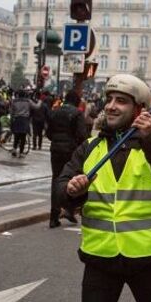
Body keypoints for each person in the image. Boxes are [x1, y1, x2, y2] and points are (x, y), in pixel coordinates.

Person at [57, 74, 151, 302]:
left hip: (147, 258)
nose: (111, 106)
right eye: (109, 99)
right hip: (100, 257)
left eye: (121, 101)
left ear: (139, 109)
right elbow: (61, 188)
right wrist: (71, 190)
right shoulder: (91, 147)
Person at [46, 90, 88, 228]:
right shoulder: (77, 113)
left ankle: (54, 216)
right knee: (71, 180)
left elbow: (49, 133)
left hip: (56, 150)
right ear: (76, 101)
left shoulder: (55, 112)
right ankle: (69, 210)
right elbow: (82, 135)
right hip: (71, 150)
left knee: (56, 180)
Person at [9, 90, 41, 158]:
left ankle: (14, 149)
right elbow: (36, 107)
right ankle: (21, 152)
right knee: (23, 137)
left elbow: (11, 112)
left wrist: (11, 120)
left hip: (16, 119)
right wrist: (40, 102)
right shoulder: (28, 101)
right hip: (24, 120)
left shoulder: (14, 101)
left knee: (16, 136)